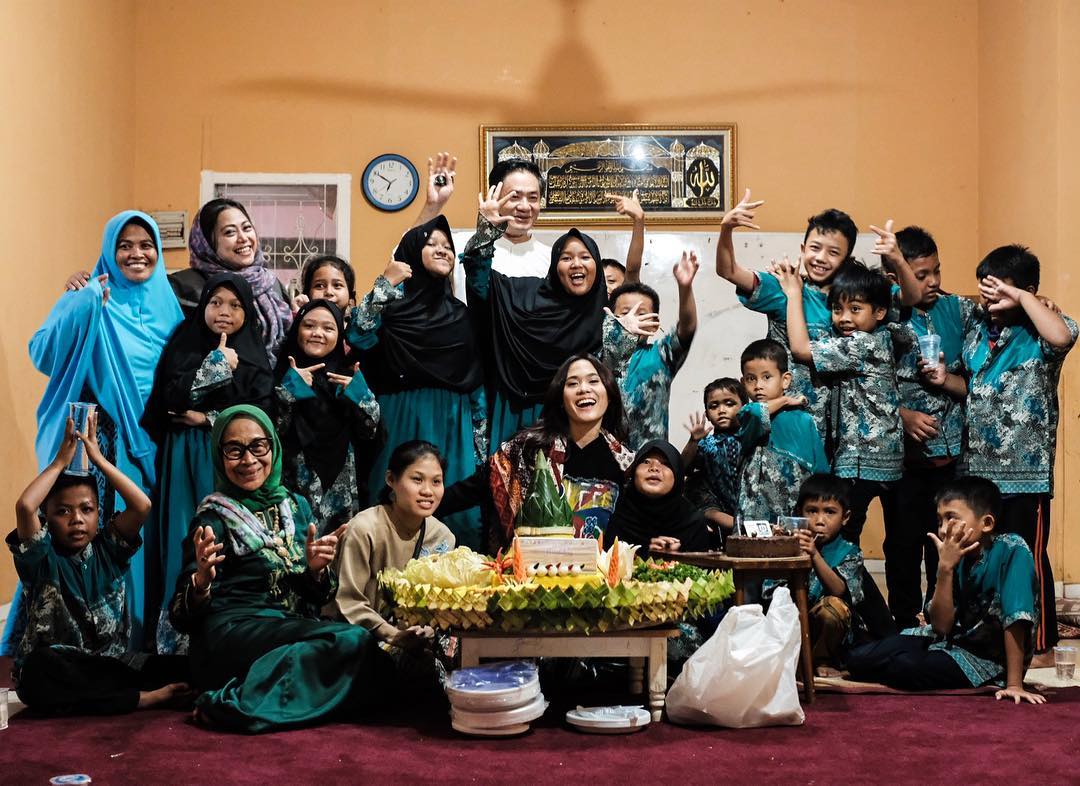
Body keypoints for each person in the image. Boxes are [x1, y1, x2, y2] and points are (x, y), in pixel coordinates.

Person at [3, 211, 184, 656]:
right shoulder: (89, 293)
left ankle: (132, 637)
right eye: (125, 245)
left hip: (150, 442)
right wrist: (81, 304)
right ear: (109, 250)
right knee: (79, 531)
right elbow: (43, 353)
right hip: (97, 438)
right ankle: (62, 641)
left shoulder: (172, 308)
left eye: (146, 244)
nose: (137, 253)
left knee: (133, 538)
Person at [168, 405, 389, 733]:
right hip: (231, 635)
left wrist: (315, 571)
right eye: (234, 450)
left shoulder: (295, 507)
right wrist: (201, 583)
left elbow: (319, 596)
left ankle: (265, 690)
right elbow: (180, 617)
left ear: (273, 447)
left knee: (377, 663)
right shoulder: (212, 518)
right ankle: (230, 705)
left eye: (258, 446)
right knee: (350, 643)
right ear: (219, 455)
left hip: (285, 630)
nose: (248, 460)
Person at [925, 245, 1077, 655]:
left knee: (1026, 556)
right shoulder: (978, 330)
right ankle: (985, 636)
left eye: (999, 290)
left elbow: (1063, 336)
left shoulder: (1041, 332)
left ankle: (1039, 644)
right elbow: (973, 388)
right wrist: (943, 380)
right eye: (985, 289)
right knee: (981, 557)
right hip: (978, 472)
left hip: (1026, 474)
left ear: (1026, 289)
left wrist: (1025, 298)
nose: (990, 298)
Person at [10, 413, 191, 715]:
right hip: (61, 668)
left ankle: (121, 695)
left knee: (188, 666)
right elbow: (25, 506)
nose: (77, 519)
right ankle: (140, 699)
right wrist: (59, 463)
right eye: (63, 511)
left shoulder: (108, 550)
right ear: (47, 518)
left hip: (112, 666)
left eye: (87, 509)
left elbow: (142, 505)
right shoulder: (40, 558)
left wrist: (98, 459)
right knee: (39, 669)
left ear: (98, 514)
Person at [142, 272, 274, 653]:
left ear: (247, 313)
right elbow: (171, 401)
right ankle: (177, 641)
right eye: (215, 302)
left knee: (228, 540)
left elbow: (263, 414)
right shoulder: (185, 342)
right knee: (186, 536)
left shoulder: (254, 355)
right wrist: (216, 365)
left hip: (235, 460)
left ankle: (229, 631)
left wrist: (206, 418)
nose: (224, 312)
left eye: (234, 305)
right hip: (185, 457)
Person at [715, 191, 919, 433]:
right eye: (815, 248)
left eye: (833, 252)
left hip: (839, 429)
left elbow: (912, 297)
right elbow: (728, 270)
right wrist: (726, 229)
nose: (821, 258)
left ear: (846, 259)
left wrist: (898, 260)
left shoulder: (859, 295)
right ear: (803, 249)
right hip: (787, 420)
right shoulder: (786, 286)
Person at [347, 216, 487, 549]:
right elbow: (358, 334)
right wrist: (385, 282)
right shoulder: (391, 309)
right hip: (401, 416)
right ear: (411, 252)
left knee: (455, 515)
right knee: (395, 507)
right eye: (431, 243)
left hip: (453, 422)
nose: (443, 250)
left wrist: (479, 443)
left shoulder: (461, 314)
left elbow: (475, 381)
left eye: (448, 246)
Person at [462, 188, 640, 450]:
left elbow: (611, 382)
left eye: (585, 257)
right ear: (555, 267)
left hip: (573, 422)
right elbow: (480, 282)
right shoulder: (524, 295)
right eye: (566, 258)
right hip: (514, 411)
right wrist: (486, 231)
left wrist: (624, 337)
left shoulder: (603, 321)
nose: (576, 264)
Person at [847, 476, 1045, 704]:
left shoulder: (1012, 550)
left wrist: (1014, 685)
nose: (943, 529)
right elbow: (941, 626)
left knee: (904, 666)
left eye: (951, 518)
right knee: (857, 659)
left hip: (988, 660)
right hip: (949, 641)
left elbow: (1016, 619)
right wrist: (945, 568)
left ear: (987, 523)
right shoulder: (954, 552)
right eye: (940, 520)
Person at [878, 227, 977, 628]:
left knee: (948, 545)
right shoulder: (881, 315)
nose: (933, 281)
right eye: (921, 275)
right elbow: (863, 383)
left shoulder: (961, 311)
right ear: (895, 277)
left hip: (951, 460)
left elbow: (977, 379)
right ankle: (903, 623)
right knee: (902, 545)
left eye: (937, 270)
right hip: (901, 461)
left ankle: (944, 625)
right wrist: (901, 415)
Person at [440, 354, 634, 552]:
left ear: (609, 393)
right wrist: (427, 504)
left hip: (602, 570)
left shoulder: (626, 465)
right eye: (572, 383)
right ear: (561, 399)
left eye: (593, 381)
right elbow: (472, 489)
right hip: (531, 568)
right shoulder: (527, 450)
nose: (584, 389)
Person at [778, 260, 903, 544]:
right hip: (888, 457)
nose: (844, 318)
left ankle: (845, 575)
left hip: (862, 458)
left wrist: (794, 294)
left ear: (880, 311)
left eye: (855, 309)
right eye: (837, 309)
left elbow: (800, 349)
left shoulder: (862, 343)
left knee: (842, 537)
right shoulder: (886, 335)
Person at [329, 441, 455, 650]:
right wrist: (392, 635)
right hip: (360, 639)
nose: (427, 491)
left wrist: (429, 629)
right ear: (391, 479)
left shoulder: (442, 536)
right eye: (417, 479)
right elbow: (349, 601)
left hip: (416, 642)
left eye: (436, 481)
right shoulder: (364, 529)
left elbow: (440, 604)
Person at [275, 300, 380, 535]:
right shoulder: (279, 373)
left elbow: (370, 432)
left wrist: (360, 395)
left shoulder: (347, 377)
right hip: (291, 481)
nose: (317, 333)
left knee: (338, 546)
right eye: (309, 326)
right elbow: (271, 431)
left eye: (328, 328)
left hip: (339, 486)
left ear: (339, 335)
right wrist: (289, 389)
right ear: (297, 330)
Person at [169, 198, 292, 362]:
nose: (243, 238)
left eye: (247, 228)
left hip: (270, 377)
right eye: (229, 232)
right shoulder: (184, 287)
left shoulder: (270, 284)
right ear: (207, 243)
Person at [764, 475, 865, 675]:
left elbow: (839, 590)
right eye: (812, 511)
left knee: (833, 608)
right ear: (799, 513)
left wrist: (814, 555)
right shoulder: (789, 544)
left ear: (845, 517)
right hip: (793, 623)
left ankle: (822, 661)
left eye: (829, 512)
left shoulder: (849, 552)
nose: (819, 521)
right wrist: (780, 547)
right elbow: (770, 593)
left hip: (829, 634)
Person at [606, 248, 699, 448]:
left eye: (641, 313)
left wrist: (685, 288)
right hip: (606, 460)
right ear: (611, 319)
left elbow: (687, 328)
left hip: (649, 459)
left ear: (654, 325)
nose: (633, 319)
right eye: (625, 312)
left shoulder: (661, 356)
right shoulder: (598, 359)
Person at [733, 339, 829, 522]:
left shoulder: (804, 420)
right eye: (751, 379)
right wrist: (785, 400)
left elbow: (821, 472)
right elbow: (757, 412)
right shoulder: (747, 414)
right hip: (754, 516)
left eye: (766, 377)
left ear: (785, 380)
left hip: (793, 513)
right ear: (743, 383)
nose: (758, 385)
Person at [606, 440, 710, 553]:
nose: (654, 468)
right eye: (646, 462)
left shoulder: (692, 522)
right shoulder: (613, 512)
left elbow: (701, 563)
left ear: (677, 474)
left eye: (665, 463)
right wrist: (647, 553)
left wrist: (674, 558)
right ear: (634, 471)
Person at [682, 377, 748, 541]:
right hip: (718, 509)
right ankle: (738, 526)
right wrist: (693, 441)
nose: (721, 410)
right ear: (707, 414)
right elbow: (682, 468)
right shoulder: (707, 444)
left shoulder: (751, 437)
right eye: (714, 406)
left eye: (729, 404)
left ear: (745, 407)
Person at [600, 188, 647, 296]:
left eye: (611, 281)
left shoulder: (627, 301)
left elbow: (632, 270)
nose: (605, 287)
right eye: (600, 283)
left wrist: (639, 219)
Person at [290, 254, 357, 316]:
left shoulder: (358, 324)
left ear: (350, 294)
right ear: (307, 293)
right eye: (319, 286)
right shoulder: (297, 321)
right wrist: (299, 316)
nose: (329, 292)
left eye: (337, 285)